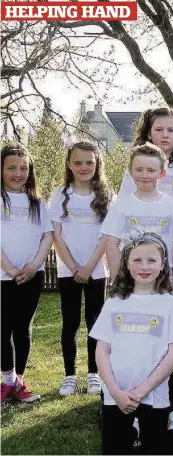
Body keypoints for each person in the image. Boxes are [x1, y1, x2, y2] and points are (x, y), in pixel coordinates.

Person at [101, 143, 173, 439]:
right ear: (131, 171)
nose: (144, 174)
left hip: (160, 284)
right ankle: (120, 404)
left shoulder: (172, 205)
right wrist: (118, 280)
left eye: (151, 170)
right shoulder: (123, 204)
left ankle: (159, 406)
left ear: (161, 173)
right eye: (138, 169)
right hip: (129, 285)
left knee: (162, 343)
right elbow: (111, 243)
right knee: (125, 340)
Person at [90, 231, 173, 455]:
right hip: (116, 396)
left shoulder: (170, 305)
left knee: (156, 447)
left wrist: (142, 390)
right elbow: (102, 350)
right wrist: (115, 391)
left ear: (163, 264)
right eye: (137, 260)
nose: (145, 266)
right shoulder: (114, 303)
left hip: (153, 395)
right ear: (127, 263)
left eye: (151, 260)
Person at [119, 107, 173, 296]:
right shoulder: (134, 170)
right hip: (139, 250)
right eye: (159, 130)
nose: (165, 135)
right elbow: (122, 210)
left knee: (171, 303)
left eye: (171, 130)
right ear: (150, 134)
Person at [49, 141, 114, 397]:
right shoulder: (60, 195)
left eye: (89, 162)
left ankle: (93, 373)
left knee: (95, 323)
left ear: (97, 164)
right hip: (68, 271)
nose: (84, 167)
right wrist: (74, 266)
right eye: (78, 162)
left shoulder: (107, 196)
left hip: (97, 270)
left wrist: (89, 266)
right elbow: (56, 236)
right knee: (71, 323)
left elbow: (108, 235)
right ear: (69, 165)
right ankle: (69, 376)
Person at [1, 142, 54, 404]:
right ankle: (7, 380)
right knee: (3, 329)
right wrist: (9, 268)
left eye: (23, 168)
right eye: (11, 167)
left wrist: (34, 265)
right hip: (3, 276)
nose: (18, 173)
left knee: (22, 328)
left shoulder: (37, 203)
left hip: (32, 276)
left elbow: (47, 236)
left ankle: (19, 382)